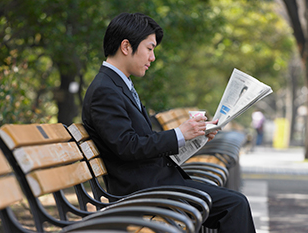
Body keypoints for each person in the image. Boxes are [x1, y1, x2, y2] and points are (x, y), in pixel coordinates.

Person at [82, 12, 256, 232]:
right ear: (126, 47)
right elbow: (128, 146)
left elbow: (138, 142)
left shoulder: (117, 85)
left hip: (155, 184)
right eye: (149, 48)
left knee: (233, 202)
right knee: (235, 205)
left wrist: (194, 136)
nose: (152, 57)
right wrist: (180, 134)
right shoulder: (105, 90)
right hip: (142, 192)